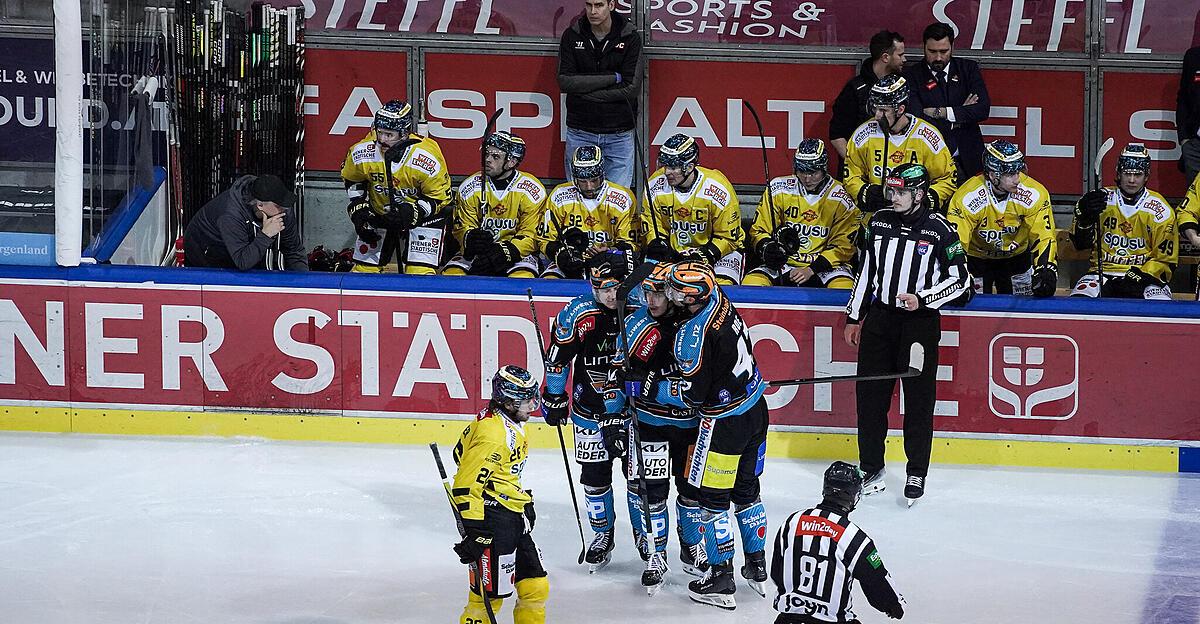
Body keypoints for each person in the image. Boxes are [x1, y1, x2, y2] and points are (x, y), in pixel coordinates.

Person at [643, 262, 769, 609]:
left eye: (674, 291)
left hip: (724, 426)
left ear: (691, 296)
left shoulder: (690, 335)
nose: (668, 294)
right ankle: (756, 564)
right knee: (747, 491)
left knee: (712, 501)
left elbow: (693, 396)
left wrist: (657, 388)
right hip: (757, 409)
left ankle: (721, 576)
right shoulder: (722, 300)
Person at [844, 163, 971, 505]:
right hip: (880, 321)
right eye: (891, 191)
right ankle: (870, 467)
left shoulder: (940, 229)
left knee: (918, 400)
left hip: (919, 325)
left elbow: (962, 281)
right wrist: (854, 316)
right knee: (869, 400)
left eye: (901, 192)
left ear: (918, 194)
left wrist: (924, 299)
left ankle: (917, 470)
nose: (894, 197)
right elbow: (866, 272)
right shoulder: (879, 222)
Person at [601, 262, 710, 594]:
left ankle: (692, 546)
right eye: (647, 291)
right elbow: (616, 377)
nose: (652, 299)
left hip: (691, 425)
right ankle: (654, 554)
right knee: (648, 493)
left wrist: (657, 385)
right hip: (649, 424)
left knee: (692, 493)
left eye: (659, 292)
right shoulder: (635, 325)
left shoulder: (696, 324)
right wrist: (613, 416)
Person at [541, 248, 635, 573]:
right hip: (589, 411)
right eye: (601, 288)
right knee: (594, 480)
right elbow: (557, 359)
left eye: (614, 287)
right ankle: (602, 534)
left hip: (633, 412)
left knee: (639, 480)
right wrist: (553, 397)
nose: (609, 295)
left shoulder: (643, 308)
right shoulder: (576, 314)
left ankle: (648, 539)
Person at [451, 365, 548, 624]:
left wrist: (514, 495)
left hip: (511, 512)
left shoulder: (506, 420)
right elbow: (465, 484)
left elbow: (458, 454)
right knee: (487, 599)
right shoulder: (494, 435)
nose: (532, 404)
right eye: (525, 400)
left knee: (535, 587)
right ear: (507, 401)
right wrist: (476, 530)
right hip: (493, 520)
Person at [769, 462, 905, 623]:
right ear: (854, 495)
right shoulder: (854, 537)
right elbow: (876, 580)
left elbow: (777, 570)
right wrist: (893, 605)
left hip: (788, 619)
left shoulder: (792, 522)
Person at [340, 99, 452, 274]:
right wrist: (359, 208)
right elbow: (353, 179)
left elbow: (440, 198)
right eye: (379, 132)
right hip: (381, 213)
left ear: (405, 133)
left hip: (423, 218)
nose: (382, 140)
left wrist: (414, 212)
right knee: (363, 273)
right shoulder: (362, 151)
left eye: (389, 135)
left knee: (419, 274)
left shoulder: (426, 158)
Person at [743, 139, 860, 288]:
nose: (807, 178)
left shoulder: (842, 197)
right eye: (802, 171)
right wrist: (768, 248)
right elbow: (759, 230)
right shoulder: (778, 188)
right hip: (785, 262)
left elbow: (843, 247)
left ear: (824, 169)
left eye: (813, 172)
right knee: (751, 283)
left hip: (827, 267)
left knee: (844, 288)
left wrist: (812, 269)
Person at [946, 140, 1058, 297]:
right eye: (1011, 174)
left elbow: (1045, 236)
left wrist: (1046, 267)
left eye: (1018, 172)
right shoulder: (966, 197)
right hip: (977, 261)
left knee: (1021, 314)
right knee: (976, 312)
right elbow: (956, 242)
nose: (1018, 179)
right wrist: (957, 274)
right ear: (992, 175)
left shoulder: (1035, 193)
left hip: (1016, 260)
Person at [1069, 144, 1177, 300]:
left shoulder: (1160, 210)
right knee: (1079, 304)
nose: (1132, 180)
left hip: (1144, 276)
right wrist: (1084, 219)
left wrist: (1138, 276)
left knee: (1160, 307)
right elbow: (1080, 245)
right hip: (1102, 273)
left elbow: (1165, 260)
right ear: (1118, 173)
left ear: (1146, 176)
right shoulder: (1099, 200)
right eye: (1127, 174)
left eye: (1138, 174)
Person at [844, 75, 958, 220]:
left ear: (900, 109)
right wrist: (864, 192)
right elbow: (850, 176)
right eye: (875, 109)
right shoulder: (863, 134)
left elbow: (948, 179)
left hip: (915, 222)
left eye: (884, 110)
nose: (878, 116)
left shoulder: (928, 137)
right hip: (875, 220)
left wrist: (924, 200)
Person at [557, 0, 642, 189]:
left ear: (611, 5)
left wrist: (585, 92)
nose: (593, 11)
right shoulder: (572, 35)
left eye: (599, 5)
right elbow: (565, 81)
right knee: (576, 199)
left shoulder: (630, 37)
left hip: (619, 133)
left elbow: (631, 88)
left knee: (617, 200)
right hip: (581, 130)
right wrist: (613, 77)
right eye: (588, 5)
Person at [641, 134, 745, 285]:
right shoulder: (654, 185)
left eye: (673, 167)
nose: (666, 172)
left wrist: (704, 256)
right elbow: (651, 226)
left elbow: (729, 238)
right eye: (665, 165)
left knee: (719, 290)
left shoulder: (718, 189)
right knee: (653, 287)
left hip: (720, 254)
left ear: (689, 167)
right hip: (674, 253)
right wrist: (658, 245)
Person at [444, 131, 545, 278]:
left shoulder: (532, 190)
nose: (487, 160)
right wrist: (470, 238)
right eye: (486, 154)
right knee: (452, 275)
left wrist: (504, 252)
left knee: (522, 278)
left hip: (517, 253)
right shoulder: (469, 187)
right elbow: (462, 226)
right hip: (479, 253)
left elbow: (531, 234)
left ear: (511, 162)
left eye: (495, 156)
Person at [904, 22, 991, 179]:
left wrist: (942, 113)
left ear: (953, 47)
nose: (938, 57)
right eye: (932, 51)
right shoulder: (912, 76)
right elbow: (917, 120)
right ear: (923, 47)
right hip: (929, 161)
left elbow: (982, 109)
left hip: (968, 159)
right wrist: (959, 117)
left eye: (944, 51)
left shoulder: (968, 69)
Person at [540, 145, 637, 279]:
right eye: (583, 181)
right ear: (574, 178)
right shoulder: (559, 195)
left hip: (608, 261)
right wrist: (561, 254)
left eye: (593, 180)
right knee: (549, 281)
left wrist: (611, 251)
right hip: (570, 261)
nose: (589, 187)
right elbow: (544, 239)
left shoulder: (623, 197)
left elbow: (632, 244)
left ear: (602, 175)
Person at [183, 174, 308, 271]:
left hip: (243, 248)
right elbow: (243, 262)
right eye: (279, 205)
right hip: (205, 251)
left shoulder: (283, 209)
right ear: (260, 205)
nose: (284, 209)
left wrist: (306, 285)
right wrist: (265, 235)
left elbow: (294, 250)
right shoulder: (230, 215)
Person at [829, 31, 906, 164]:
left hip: (895, 167)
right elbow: (837, 135)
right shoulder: (855, 89)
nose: (904, 59)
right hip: (861, 172)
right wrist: (855, 165)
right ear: (886, 57)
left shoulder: (903, 85)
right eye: (900, 55)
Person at [1177, 46, 1200, 184]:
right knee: (1195, 200)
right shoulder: (1193, 56)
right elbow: (1183, 99)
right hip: (1195, 146)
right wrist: (1184, 138)